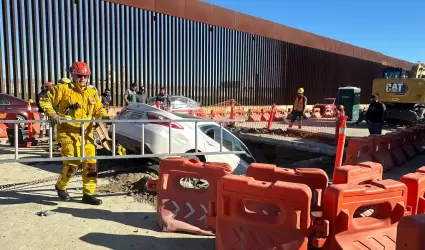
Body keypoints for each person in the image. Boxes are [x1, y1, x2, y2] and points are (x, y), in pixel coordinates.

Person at [39, 61, 110, 205]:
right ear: (73, 75)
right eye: (79, 76)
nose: (82, 79)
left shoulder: (91, 92)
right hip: (68, 133)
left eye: (85, 76)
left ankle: (88, 194)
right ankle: (61, 186)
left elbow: (98, 109)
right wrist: (53, 115)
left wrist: (105, 117)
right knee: (72, 163)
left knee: (91, 164)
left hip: (87, 133)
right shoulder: (63, 89)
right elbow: (45, 100)